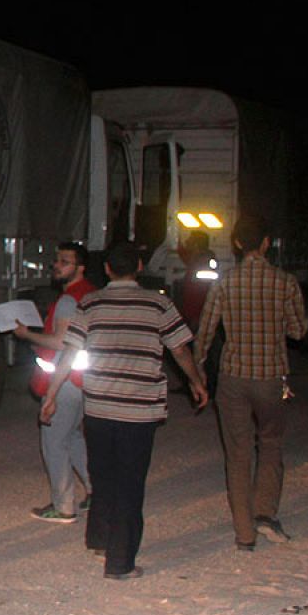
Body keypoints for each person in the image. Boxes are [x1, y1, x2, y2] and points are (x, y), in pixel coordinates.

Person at [41, 241, 208, 580]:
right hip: (139, 412)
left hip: (99, 407)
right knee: (129, 484)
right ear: (141, 266)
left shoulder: (91, 303)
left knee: (102, 476)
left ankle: (100, 538)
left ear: (106, 269)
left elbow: (69, 353)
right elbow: (179, 350)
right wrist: (195, 381)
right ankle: (120, 563)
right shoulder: (159, 304)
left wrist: (52, 393)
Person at [195, 214, 308, 551]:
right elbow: (297, 331)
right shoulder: (285, 282)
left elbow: (204, 332)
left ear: (236, 244)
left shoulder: (224, 283)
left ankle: (244, 534)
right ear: (265, 243)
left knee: (238, 453)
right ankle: (265, 513)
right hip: (271, 376)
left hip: (233, 377)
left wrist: (198, 370)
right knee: (271, 444)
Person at [12, 242, 97, 523]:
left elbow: (61, 342)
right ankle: (96, 491)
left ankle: (63, 507)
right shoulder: (91, 293)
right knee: (73, 438)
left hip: (66, 381)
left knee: (54, 443)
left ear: (80, 267)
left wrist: (28, 335)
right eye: (57, 261)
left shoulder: (69, 300)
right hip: (84, 380)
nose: (56, 266)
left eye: (64, 262)